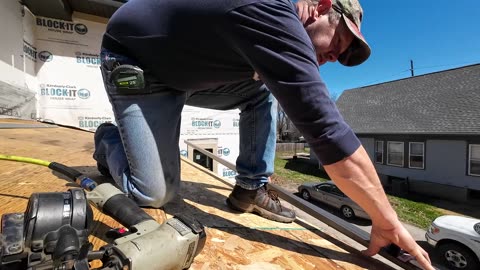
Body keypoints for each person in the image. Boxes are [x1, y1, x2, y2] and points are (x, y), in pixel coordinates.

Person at [93, 0, 434, 268]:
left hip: (183, 75)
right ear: (323, 6)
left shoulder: (270, 26)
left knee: (264, 88)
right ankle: (108, 138)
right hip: (137, 63)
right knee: (154, 193)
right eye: (339, 41)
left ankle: (250, 187)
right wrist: (386, 220)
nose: (334, 56)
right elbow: (329, 134)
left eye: (341, 56)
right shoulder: (271, 12)